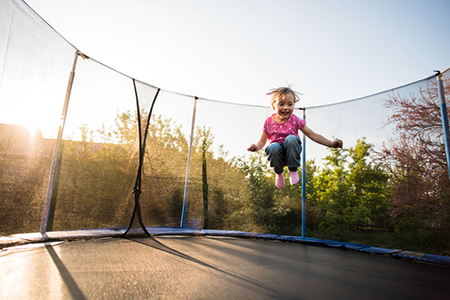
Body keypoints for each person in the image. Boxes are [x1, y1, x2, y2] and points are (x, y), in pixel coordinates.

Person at [247, 86, 343, 189]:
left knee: (291, 138)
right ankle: (279, 173)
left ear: (294, 105)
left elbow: (313, 135)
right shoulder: (268, 121)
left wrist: (331, 144)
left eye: (290, 104)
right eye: (281, 104)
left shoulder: (295, 120)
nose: (285, 108)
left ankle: (293, 170)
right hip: (277, 155)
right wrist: (255, 147)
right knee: (273, 146)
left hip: (291, 152)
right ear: (274, 105)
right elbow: (262, 141)